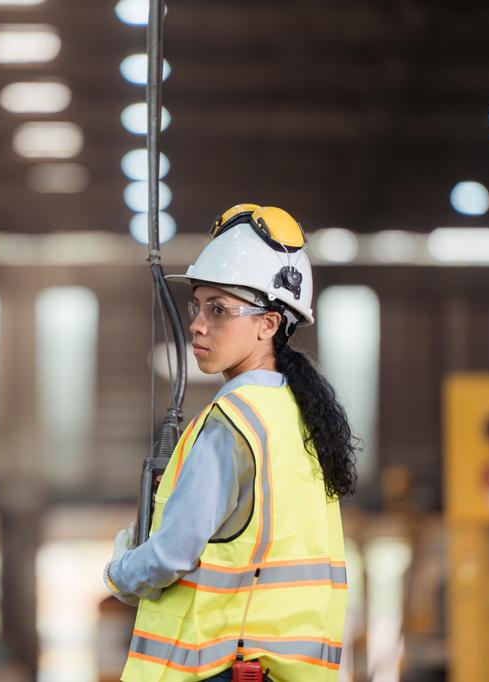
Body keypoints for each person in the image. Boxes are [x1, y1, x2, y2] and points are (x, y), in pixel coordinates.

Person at [103, 204, 358, 682]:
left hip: (219, 668)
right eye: (197, 306)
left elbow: (174, 553)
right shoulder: (298, 419)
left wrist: (120, 571)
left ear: (269, 324)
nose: (198, 324)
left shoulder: (232, 421)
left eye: (219, 309)